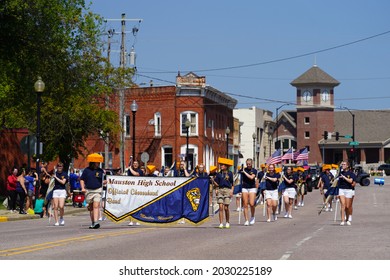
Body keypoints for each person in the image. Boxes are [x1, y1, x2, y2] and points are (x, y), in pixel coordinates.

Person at [80, 153, 105, 229]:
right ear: (93, 162)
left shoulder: (100, 171)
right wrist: (83, 188)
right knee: (91, 208)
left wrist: (104, 182)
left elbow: (102, 180)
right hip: (88, 190)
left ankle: (96, 222)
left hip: (97, 190)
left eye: (99, 162)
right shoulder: (86, 170)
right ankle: (93, 222)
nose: (98, 164)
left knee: (96, 206)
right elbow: (82, 179)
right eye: (97, 162)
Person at [212, 162, 234, 228]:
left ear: (226, 166)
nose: (221, 166)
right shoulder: (218, 174)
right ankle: (221, 223)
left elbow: (232, 183)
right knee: (220, 207)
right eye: (221, 165)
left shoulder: (230, 173)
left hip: (227, 190)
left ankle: (227, 221)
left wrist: (231, 191)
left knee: (226, 207)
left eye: (223, 165)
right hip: (220, 190)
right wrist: (213, 181)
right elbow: (217, 184)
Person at [338, 161, 356, 226]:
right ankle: (342, 220)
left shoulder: (351, 173)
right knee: (343, 205)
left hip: (349, 190)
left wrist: (344, 177)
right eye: (342, 164)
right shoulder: (340, 173)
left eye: (344, 164)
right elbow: (338, 183)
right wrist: (337, 193)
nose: (343, 165)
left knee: (347, 206)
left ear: (347, 166)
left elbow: (351, 181)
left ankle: (348, 219)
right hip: (341, 190)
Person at [126, 159, 144, 225]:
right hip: (131, 191)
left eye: (136, 163)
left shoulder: (140, 171)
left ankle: (138, 220)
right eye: (134, 163)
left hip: (138, 191)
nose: (135, 164)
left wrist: (130, 168)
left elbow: (136, 174)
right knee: (131, 206)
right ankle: (131, 220)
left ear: (138, 165)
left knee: (138, 205)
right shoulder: (129, 171)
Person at [240, 158, 257, 226]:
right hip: (245, 187)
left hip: (252, 187)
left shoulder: (254, 170)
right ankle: (246, 219)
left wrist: (244, 172)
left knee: (252, 204)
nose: (248, 165)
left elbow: (251, 177)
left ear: (252, 164)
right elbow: (239, 178)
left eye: (249, 164)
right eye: (247, 164)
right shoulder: (243, 169)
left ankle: (252, 216)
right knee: (245, 204)